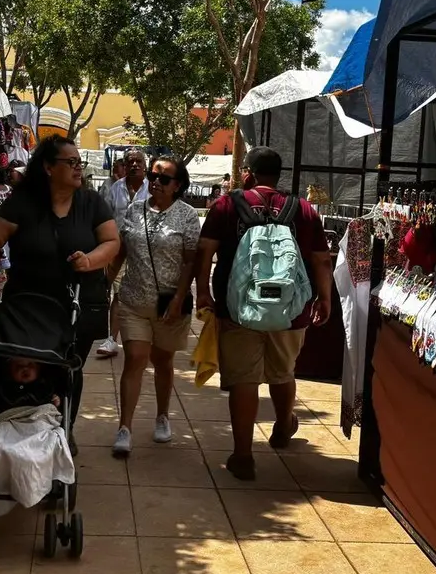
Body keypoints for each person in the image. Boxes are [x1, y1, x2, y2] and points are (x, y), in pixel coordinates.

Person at [195, 146, 334, 481]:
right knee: (284, 371)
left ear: (248, 172)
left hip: (237, 308)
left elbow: (204, 252)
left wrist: (203, 292)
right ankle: (283, 428)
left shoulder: (227, 205)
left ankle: (243, 456)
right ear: (278, 174)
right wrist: (324, 298)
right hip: (291, 310)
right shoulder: (302, 209)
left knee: (245, 379)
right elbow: (321, 259)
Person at [0, 136, 120, 447]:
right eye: (70, 162)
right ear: (47, 167)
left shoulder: (91, 202)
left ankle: (62, 429)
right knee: (21, 364)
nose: (77, 168)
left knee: (68, 367)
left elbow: (112, 242)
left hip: (76, 304)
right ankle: (14, 424)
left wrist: (89, 261)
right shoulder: (24, 201)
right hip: (26, 306)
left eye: (78, 162)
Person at [108, 155, 201, 457]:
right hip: (133, 298)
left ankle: (162, 415)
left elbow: (191, 261)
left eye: (163, 179)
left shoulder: (187, 216)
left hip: (169, 304)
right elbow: (121, 250)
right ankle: (125, 427)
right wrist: (106, 281)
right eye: (153, 176)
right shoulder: (135, 210)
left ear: (178, 186)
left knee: (162, 361)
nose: (155, 182)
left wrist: (179, 297)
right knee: (134, 357)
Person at [95, 148, 148, 358]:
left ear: (145, 165)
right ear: (124, 166)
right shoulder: (115, 188)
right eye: (130, 161)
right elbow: (104, 218)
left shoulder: (152, 189)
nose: (134, 165)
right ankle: (111, 340)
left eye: (138, 161)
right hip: (117, 250)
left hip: (144, 251)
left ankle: (142, 337)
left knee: (142, 294)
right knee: (117, 293)